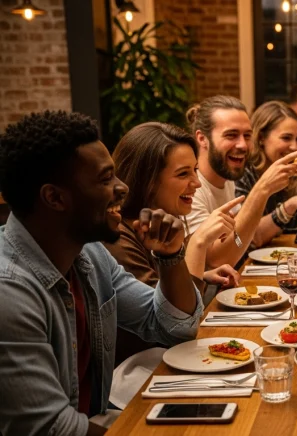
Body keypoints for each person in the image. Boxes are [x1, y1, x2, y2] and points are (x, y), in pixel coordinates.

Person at [0, 111, 203, 435]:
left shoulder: (89, 255)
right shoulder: (9, 292)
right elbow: (52, 428)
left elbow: (172, 326)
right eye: (105, 178)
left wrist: (171, 254)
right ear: (54, 197)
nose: (122, 187)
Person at [106, 122, 242, 364]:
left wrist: (204, 275)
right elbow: (175, 326)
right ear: (146, 179)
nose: (197, 183)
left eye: (195, 170)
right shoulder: (117, 238)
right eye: (183, 174)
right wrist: (199, 243)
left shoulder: (159, 226)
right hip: (139, 375)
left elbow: (171, 292)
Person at [185, 95, 297, 267]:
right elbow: (216, 260)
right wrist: (263, 188)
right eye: (231, 135)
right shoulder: (190, 189)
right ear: (202, 138)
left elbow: (238, 242)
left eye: (247, 136)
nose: (242, 145)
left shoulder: (228, 180)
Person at [235, 101, 297, 245]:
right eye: (286, 138)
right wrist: (289, 206)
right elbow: (249, 238)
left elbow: (296, 233)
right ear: (261, 138)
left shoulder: (289, 174)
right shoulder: (242, 174)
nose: (294, 147)